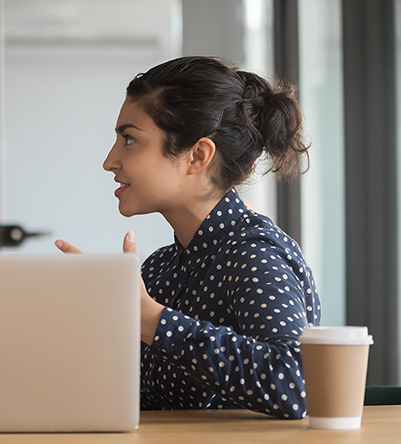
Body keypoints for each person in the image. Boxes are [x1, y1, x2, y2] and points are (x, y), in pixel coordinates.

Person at [55, 56, 320, 419]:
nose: (110, 161)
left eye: (129, 140)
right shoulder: (160, 268)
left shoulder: (253, 253)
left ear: (197, 156)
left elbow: (297, 383)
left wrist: (151, 319)